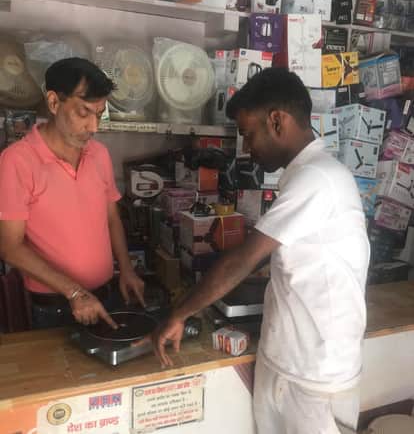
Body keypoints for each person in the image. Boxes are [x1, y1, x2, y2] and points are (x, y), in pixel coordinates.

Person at [142, 68, 370, 433]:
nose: (247, 148)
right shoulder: (305, 175)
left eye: (248, 134)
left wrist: (179, 314)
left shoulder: (318, 178)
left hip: (315, 377)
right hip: (287, 362)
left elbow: (242, 261)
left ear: (277, 121)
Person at [0, 57, 145, 330]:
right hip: (55, 305)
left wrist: (126, 269)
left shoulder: (99, 154)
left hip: (105, 293)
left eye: (99, 114)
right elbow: (10, 248)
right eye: (84, 113)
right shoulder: (17, 161)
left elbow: (111, 219)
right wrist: (75, 293)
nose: (94, 127)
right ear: (54, 102)